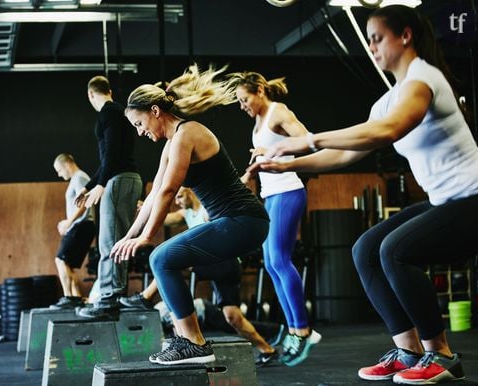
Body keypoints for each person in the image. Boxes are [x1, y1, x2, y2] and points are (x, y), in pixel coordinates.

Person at [248, 5, 478, 384]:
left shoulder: (423, 80)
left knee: (396, 251)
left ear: (405, 36)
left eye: (377, 38)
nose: (371, 46)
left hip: (473, 199)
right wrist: (286, 164)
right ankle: (409, 350)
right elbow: (342, 154)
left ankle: (442, 355)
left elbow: (388, 131)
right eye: (368, 39)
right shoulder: (387, 99)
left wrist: (305, 141)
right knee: (365, 250)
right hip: (445, 202)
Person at [111, 64, 270, 365]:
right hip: (234, 222)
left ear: (155, 110)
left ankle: (193, 343)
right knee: (165, 259)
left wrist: (146, 238)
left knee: (160, 257)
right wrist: (129, 236)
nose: (140, 131)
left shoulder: (188, 133)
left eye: (139, 123)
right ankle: (190, 340)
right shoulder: (172, 143)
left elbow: (169, 192)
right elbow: (155, 195)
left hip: (243, 220)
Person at [119, 187, 277, 366]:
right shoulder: (184, 213)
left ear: (190, 192)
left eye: (180, 197)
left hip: (226, 264)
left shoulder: (207, 208)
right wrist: (145, 209)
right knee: (233, 317)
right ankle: (267, 349)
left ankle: (146, 298)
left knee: (168, 262)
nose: (177, 201)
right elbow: (166, 217)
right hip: (211, 264)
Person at [226, 71, 321, 366]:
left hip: (288, 190)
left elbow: (308, 141)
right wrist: (253, 168)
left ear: (259, 92)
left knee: (280, 260)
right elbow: (266, 156)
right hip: (271, 195)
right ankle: (293, 328)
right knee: (270, 263)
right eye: (239, 102)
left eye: (245, 99)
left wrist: (273, 150)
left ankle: (302, 330)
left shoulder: (278, 111)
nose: (242, 106)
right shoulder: (257, 122)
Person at [75, 75, 143, 317]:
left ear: (91, 95)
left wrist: (101, 184)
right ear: (110, 90)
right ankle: (114, 295)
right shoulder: (115, 111)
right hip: (122, 178)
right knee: (116, 241)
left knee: (110, 242)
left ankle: (108, 299)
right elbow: (108, 159)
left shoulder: (108, 112)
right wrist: (90, 185)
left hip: (119, 180)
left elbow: (112, 152)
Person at [51, 153, 96, 309]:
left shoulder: (79, 178)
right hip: (80, 225)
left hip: (81, 225)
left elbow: (84, 202)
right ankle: (75, 299)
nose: (59, 174)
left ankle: (68, 298)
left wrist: (69, 222)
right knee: (67, 264)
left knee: (60, 260)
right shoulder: (77, 179)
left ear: (67, 165)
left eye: (59, 170)